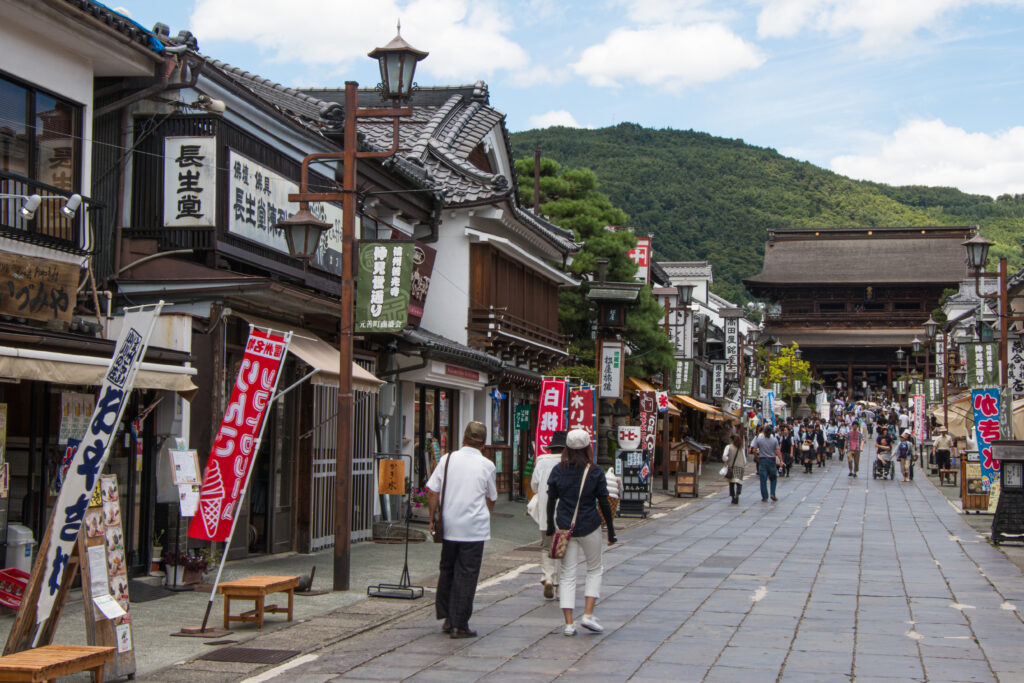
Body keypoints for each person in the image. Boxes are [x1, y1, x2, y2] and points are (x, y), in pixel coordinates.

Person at [427, 421, 497, 639]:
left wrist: (433, 517)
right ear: (483, 445)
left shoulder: (447, 460)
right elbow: (492, 497)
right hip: (474, 528)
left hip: (449, 525)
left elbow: (431, 490)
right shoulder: (487, 465)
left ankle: (447, 618)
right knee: (467, 574)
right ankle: (460, 623)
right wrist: (484, 513)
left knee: (447, 569)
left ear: (463, 439)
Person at [546, 429, 617, 636]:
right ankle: (587, 614)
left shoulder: (558, 470)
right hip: (590, 525)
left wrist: (551, 527)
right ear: (588, 448)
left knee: (567, 573)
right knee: (594, 569)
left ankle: (569, 624)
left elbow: (551, 500)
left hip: (565, 526)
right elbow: (604, 501)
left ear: (566, 448)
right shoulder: (594, 471)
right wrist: (611, 532)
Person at [528, 430, 565, 601]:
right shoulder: (569, 462)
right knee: (562, 547)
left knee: (546, 545)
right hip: (565, 512)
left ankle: (547, 576)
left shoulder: (541, 462)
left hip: (545, 510)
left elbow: (534, 485)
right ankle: (558, 581)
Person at [750, 425, 781, 502]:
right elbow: (777, 451)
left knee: (763, 479)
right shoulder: (774, 439)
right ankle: (772, 493)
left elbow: (754, 450)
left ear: (764, 431)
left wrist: (757, 458)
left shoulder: (759, 439)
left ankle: (765, 497)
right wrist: (781, 460)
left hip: (762, 460)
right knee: (773, 478)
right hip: (772, 460)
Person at [724, 433, 746, 503]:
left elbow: (724, 456)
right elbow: (744, 459)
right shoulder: (741, 448)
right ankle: (737, 495)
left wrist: (727, 459)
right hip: (740, 467)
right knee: (739, 482)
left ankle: (733, 496)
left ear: (732, 439)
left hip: (732, 467)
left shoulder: (728, 447)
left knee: (732, 482)